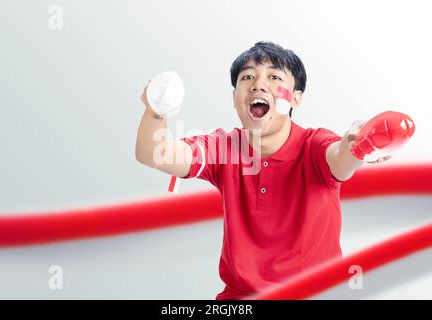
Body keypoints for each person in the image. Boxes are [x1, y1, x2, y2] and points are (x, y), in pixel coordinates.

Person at [135, 41, 390, 300]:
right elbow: (156, 154)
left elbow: (339, 159)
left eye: (274, 76)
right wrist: (156, 110)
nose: (258, 83)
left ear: (296, 98)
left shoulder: (314, 145)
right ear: (234, 98)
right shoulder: (224, 147)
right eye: (247, 77)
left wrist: (357, 146)